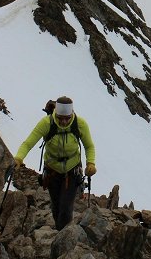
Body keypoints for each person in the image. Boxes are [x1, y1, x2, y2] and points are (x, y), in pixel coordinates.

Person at [14, 96, 96, 231]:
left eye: (67, 118)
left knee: (65, 207)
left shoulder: (80, 124)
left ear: (72, 114)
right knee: (56, 206)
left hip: (72, 171)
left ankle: (63, 236)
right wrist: (18, 158)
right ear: (55, 114)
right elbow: (28, 143)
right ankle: (61, 233)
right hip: (52, 171)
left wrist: (90, 163)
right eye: (60, 118)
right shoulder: (46, 123)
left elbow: (89, 146)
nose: (63, 121)